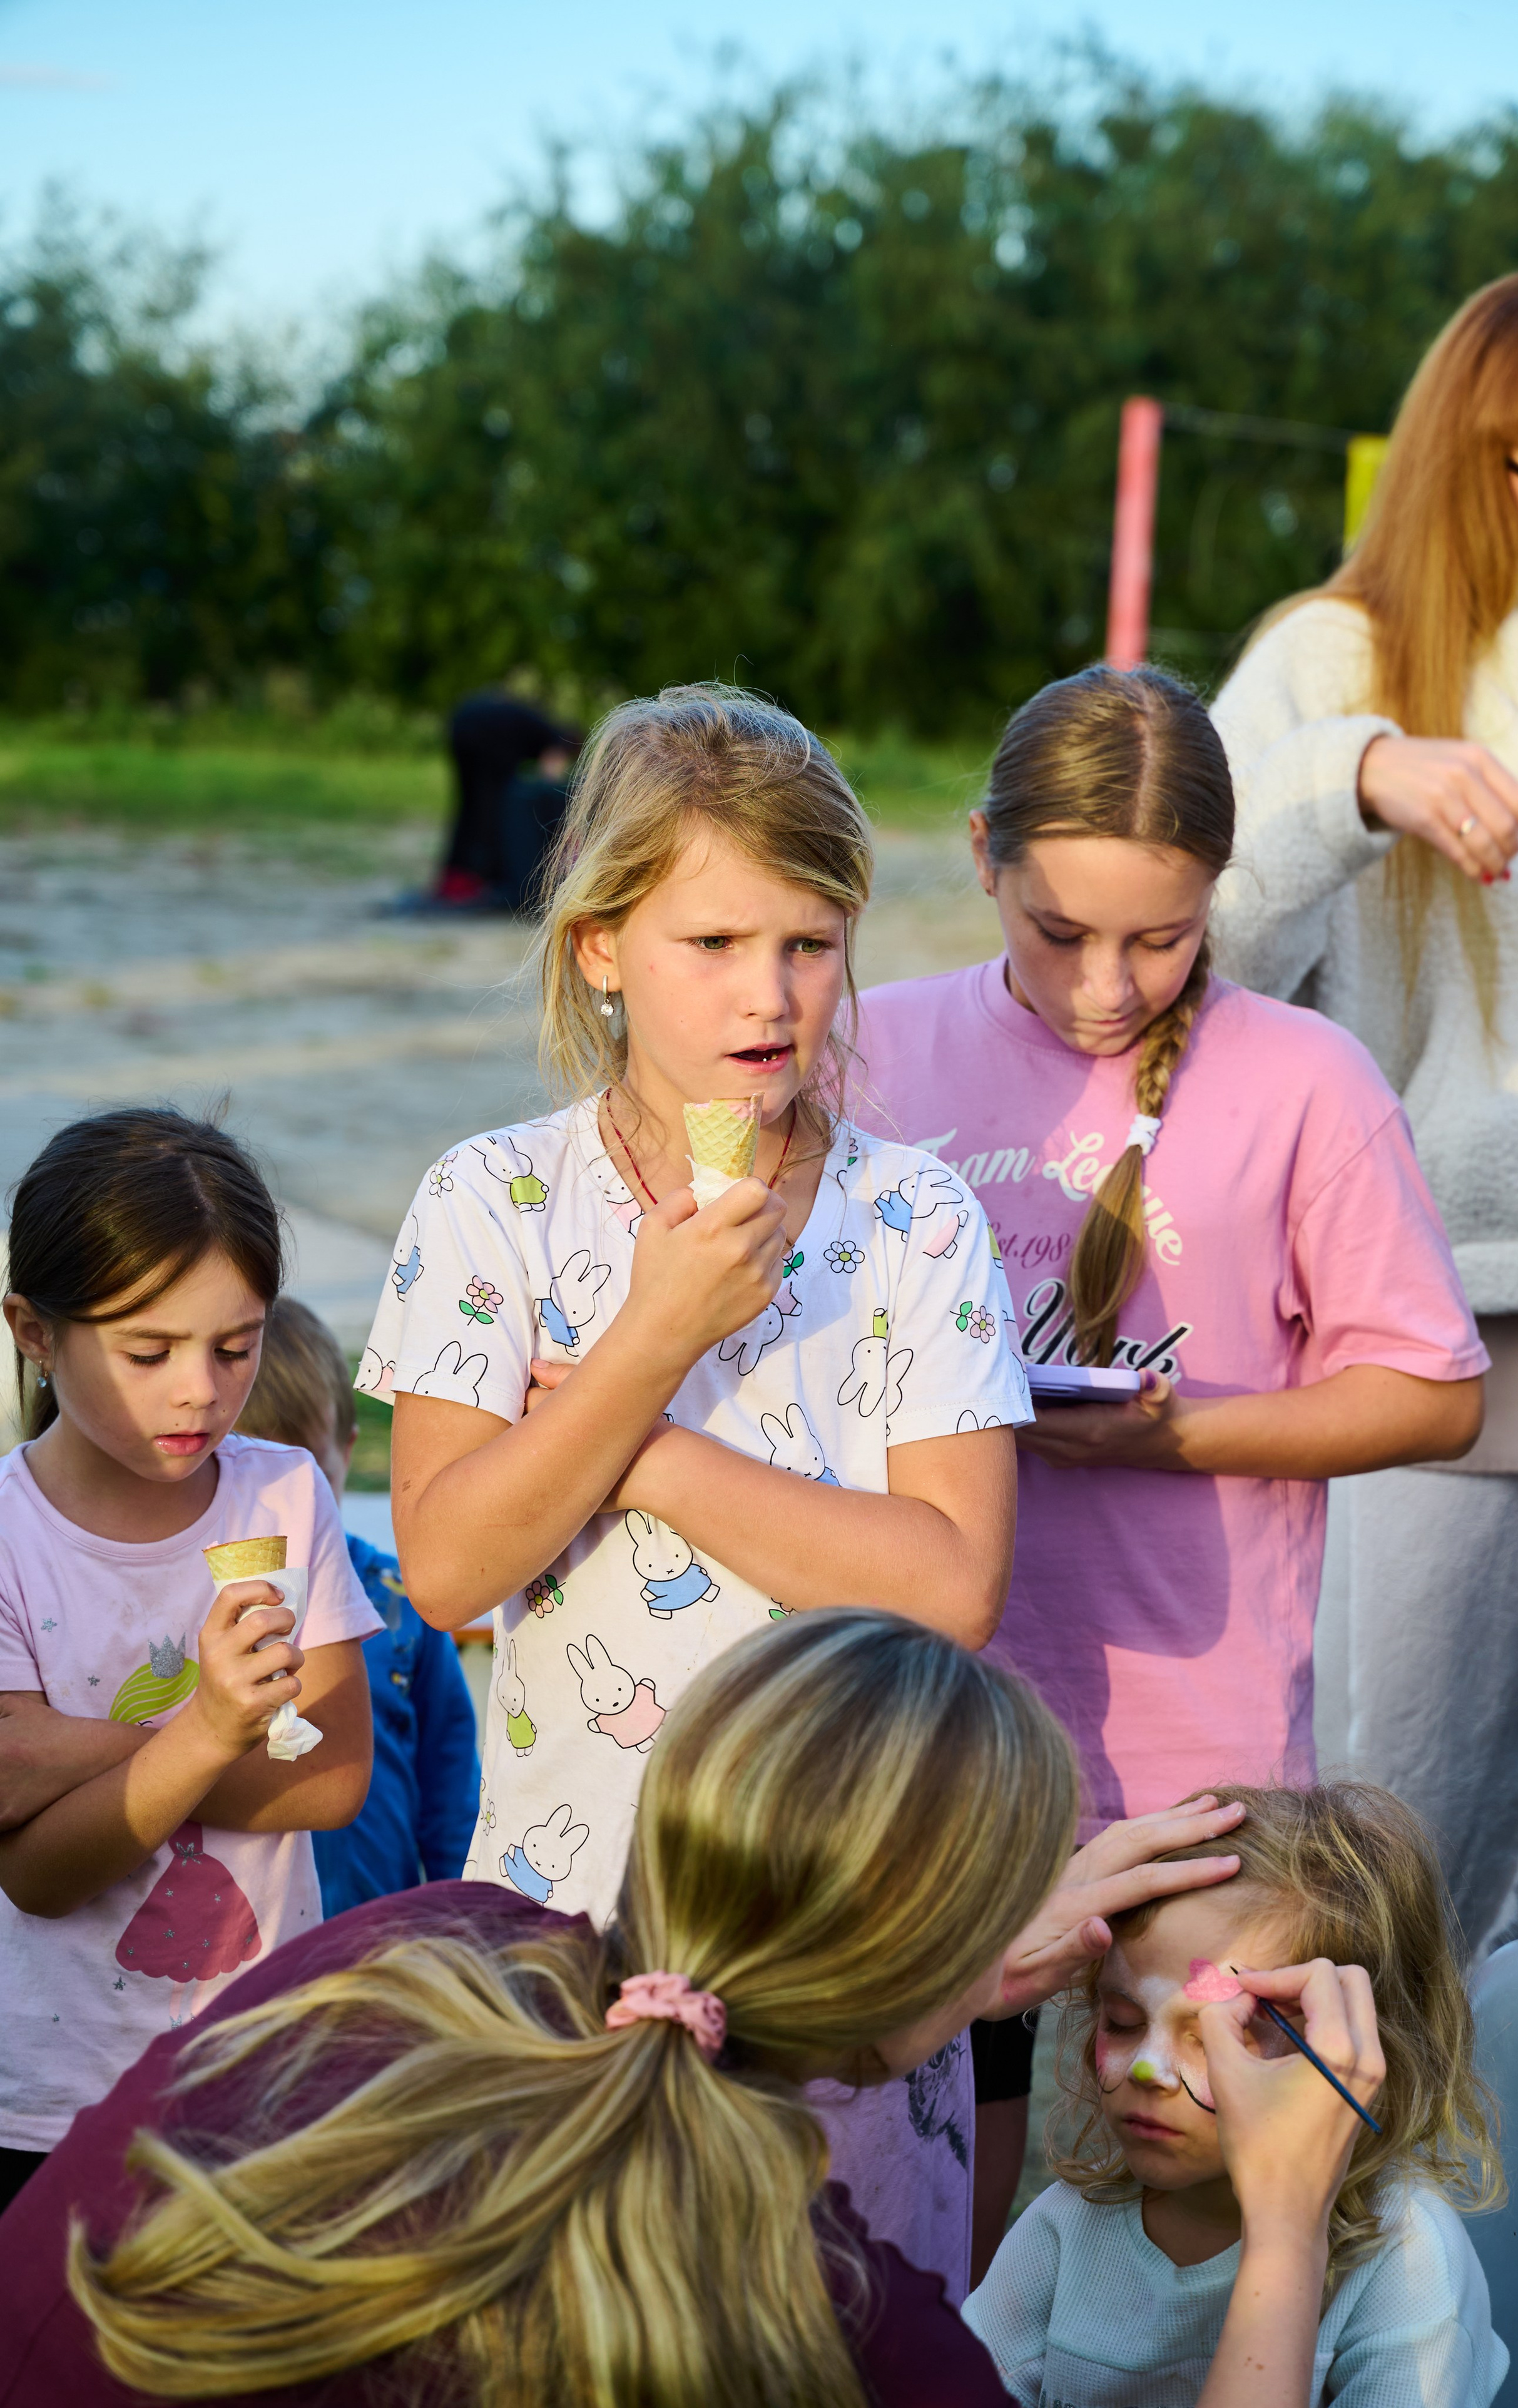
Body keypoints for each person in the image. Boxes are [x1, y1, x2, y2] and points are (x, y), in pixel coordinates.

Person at [357, 680, 1036, 2298]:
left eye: (809, 944)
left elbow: (950, 1587)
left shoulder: (917, 1220)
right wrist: (655, 1331)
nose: (772, 996)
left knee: (840, 2327)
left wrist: (638, 1448)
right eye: (713, 945)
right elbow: (448, 1567)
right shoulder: (493, 1209)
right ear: (601, 947)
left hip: (855, 1939)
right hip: (569, 1947)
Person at [5, 1613, 1379, 2408]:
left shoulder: (425, 1937)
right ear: (929, 1980)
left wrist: (927, 1978)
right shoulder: (842, 2317)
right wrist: (1280, 2233)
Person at [855, 663, 1486, 2275]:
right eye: (1057, 931)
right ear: (984, 856)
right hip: (931, 1742)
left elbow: (1430, 1392)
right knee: (955, 2236)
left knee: (1170, 2231)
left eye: (1161, 933)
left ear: (1217, 891)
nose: (1104, 984)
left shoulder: (1302, 1081)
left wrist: (1171, 1428)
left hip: (1197, 1778)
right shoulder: (875, 1050)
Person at [1210, 262, 1518, 1956]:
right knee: (1397, 1807)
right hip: (1448, 1320)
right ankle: (1346, 2187)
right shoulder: (1339, 652)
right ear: (1469, 452)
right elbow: (1189, 913)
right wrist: (1361, 776)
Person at [0, 1110, 379, 2217]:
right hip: (47, 2103)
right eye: (146, 1350)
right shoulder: (12, 1539)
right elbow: (37, 1872)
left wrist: (64, 1752)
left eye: (236, 1343)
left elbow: (332, 1776)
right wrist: (219, 1727)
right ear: (33, 1329)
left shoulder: (284, 1492)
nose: (201, 1392)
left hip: (263, 2072)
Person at [966, 1780, 1507, 2407]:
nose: (1148, 2069)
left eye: (1221, 2034)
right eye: (1121, 2018)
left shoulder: (1405, 2261)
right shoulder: (1067, 2227)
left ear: (1362, 2051)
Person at [235, 1296, 479, 1914]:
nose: (284, 1506)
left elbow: (451, 1786)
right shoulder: (201, 1609)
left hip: (380, 1942)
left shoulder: (402, 1600)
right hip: (239, 1944)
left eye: (306, 1476)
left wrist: (466, 1919)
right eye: (253, 1481)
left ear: (345, 1450)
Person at [430, 688, 584, 909]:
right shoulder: (555, 739)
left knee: (470, 807)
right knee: (492, 811)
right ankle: (480, 875)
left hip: (462, 723)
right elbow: (550, 781)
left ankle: (459, 873)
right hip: (486, 735)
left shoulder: (535, 723)